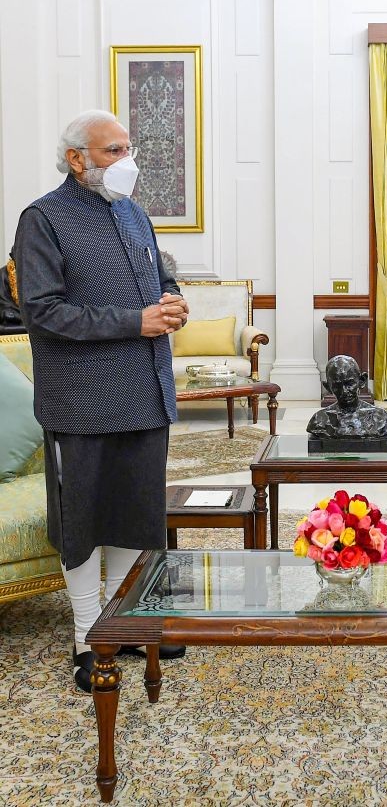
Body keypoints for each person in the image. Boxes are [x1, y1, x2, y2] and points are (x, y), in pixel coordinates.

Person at [13, 109, 190, 692]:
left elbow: (162, 278)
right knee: (85, 519)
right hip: (80, 403)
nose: (126, 161)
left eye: (127, 148)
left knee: (134, 512)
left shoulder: (135, 214)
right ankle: (88, 637)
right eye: (113, 151)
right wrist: (134, 320)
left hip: (144, 393)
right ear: (77, 159)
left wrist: (173, 302)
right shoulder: (43, 219)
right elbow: (41, 310)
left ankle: (128, 621)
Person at [307, 355, 387, 439]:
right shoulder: (319, 420)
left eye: (349, 384)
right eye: (337, 386)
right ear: (328, 387)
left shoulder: (381, 418)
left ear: (362, 381)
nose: (344, 391)